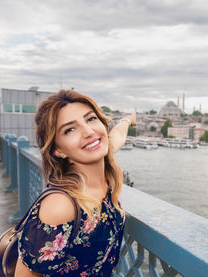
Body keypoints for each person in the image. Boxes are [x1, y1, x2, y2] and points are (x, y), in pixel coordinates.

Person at [15, 89, 136, 276]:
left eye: (91, 119)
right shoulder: (61, 206)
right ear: (58, 150)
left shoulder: (99, 158)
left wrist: (127, 120)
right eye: (70, 129)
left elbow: (116, 137)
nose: (89, 132)